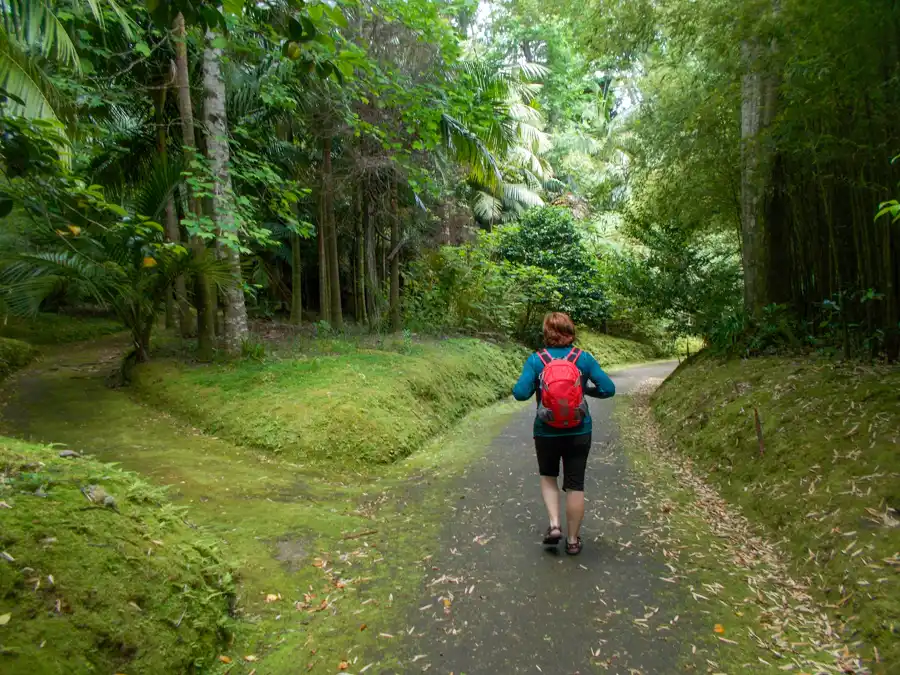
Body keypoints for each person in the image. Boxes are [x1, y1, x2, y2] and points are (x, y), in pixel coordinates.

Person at [512, 312, 615, 555]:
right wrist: (587, 391)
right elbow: (608, 389)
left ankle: (555, 525)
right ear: (571, 332)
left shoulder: (537, 360)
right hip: (580, 430)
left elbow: (519, 393)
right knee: (575, 484)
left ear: (547, 333)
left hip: (546, 431)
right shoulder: (584, 359)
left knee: (548, 476)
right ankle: (572, 540)